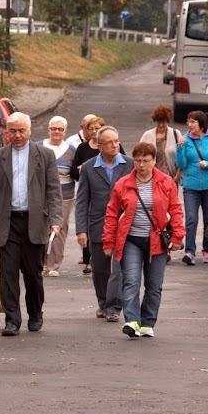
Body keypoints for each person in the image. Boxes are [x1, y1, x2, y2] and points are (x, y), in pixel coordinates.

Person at [0, 112, 62, 337]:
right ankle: (12, 320)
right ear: (6, 131)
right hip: (8, 222)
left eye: (21, 131)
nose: (17, 135)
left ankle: (35, 314)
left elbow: (53, 190)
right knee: (8, 272)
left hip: (35, 222)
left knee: (33, 274)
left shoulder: (44, 156)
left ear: (30, 130)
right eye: (12, 131)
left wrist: (55, 220)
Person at [103, 142, 185, 338]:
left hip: (156, 240)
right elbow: (112, 213)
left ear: (154, 161)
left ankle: (147, 322)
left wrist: (177, 236)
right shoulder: (123, 184)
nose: (141, 165)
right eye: (138, 161)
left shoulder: (165, 183)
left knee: (154, 285)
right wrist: (108, 241)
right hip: (131, 239)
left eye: (146, 161)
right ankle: (132, 321)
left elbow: (175, 209)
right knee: (131, 280)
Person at [75, 125, 133, 322]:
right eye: (110, 142)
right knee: (99, 268)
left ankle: (114, 306)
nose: (115, 145)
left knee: (118, 268)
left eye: (117, 141)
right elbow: (82, 200)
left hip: (125, 225)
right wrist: (81, 229)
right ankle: (103, 301)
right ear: (99, 145)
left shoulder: (129, 165)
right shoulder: (89, 168)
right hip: (98, 225)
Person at [175, 110, 208, 265]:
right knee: (191, 219)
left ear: (201, 124)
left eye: (192, 122)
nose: (189, 125)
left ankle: (207, 250)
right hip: (191, 185)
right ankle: (190, 251)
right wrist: (180, 149)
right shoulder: (185, 139)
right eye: (188, 122)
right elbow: (181, 164)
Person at [39, 116, 77, 277]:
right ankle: (40, 263)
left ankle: (53, 264)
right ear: (48, 130)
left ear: (65, 132)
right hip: (41, 195)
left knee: (59, 229)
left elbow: (75, 172)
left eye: (60, 129)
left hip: (64, 195)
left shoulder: (72, 150)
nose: (56, 132)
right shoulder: (38, 147)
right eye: (53, 128)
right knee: (41, 228)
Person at [70, 115, 105, 275]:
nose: (93, 131)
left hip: (104, 192)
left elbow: (122, 166)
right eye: (90, 129)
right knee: (87, 224)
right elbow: (72, 172)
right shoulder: (83, 148)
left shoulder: (108, 146)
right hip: (86, 191)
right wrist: (79, 170)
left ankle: (102, 256)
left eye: (97, 128)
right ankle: (88, 260)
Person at [139, 104, 183, 187]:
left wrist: (177, 177)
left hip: (171, 179)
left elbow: (181, 157)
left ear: (168, 121)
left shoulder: (176, 134)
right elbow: (139, 156)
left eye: (164, 122)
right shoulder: (147, 135)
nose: (161, 125)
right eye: (159, 122)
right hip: (151, 179)